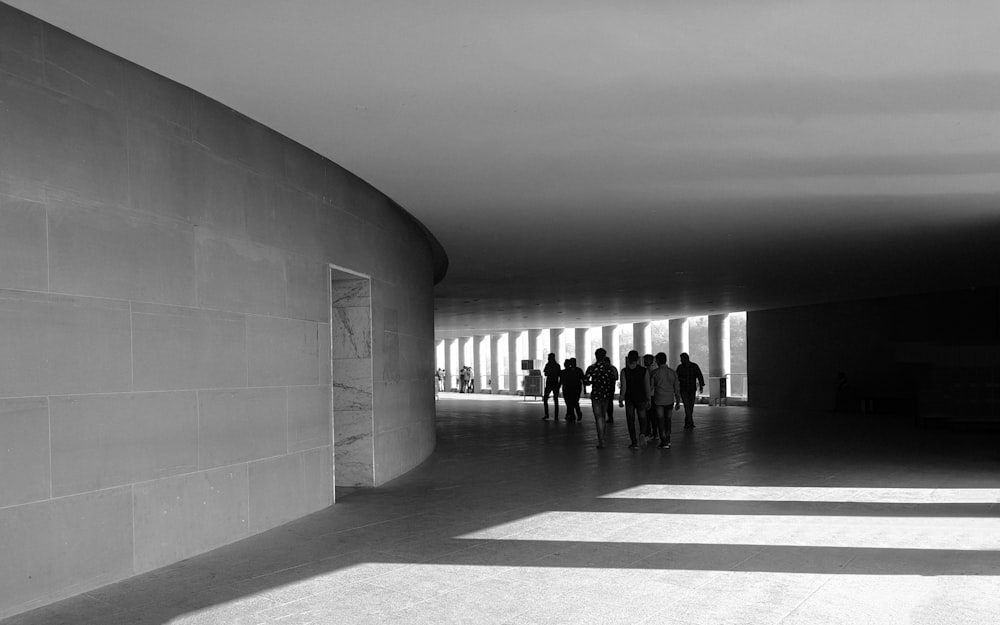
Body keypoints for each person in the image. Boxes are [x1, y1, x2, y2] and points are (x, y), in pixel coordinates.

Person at [584, 348, 618, 449]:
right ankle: (603, 437)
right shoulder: (609, 368)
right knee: (603, 415)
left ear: (595, 356)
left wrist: (593, 382)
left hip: (595, 395)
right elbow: (613, 379)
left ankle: (601, 440)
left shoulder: (591, 368)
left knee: (598, 417)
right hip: (606, 395)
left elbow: (585, 381)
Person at [618, 350, 650, 448]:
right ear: (637, 359)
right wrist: (648, 399)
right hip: (641, 398)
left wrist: (621, 398)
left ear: (628, 359)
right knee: (643, 418)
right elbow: (647, 386)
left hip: (629, 398)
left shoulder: (624, 371)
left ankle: (634, 442)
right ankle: (642, 434)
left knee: (630, 420)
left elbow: (624, 387)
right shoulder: (644, 371)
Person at [650, 352, 680, 449]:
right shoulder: (672, 372)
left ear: (657, 361)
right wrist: (678, 401)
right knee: (668, 420)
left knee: (660, 420)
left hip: (658, 399)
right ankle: (668, 439)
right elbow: (676, 388)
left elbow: (651, 388)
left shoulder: (655, 373)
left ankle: (664, 441)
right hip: (670, 399)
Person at [675, 352, 705, 428]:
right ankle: (689, 421)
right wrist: (701, 386)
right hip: (690, 388)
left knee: (688, 405)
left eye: (682, 359)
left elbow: (676, 377)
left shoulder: (680, 367)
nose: (681, 360)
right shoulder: (694, 366)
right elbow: (699, 376)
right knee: (689, 405)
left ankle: (688, 421)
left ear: (685, 359)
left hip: (686, 388)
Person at [643, 353, 659, 441]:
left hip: (650, 395)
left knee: (649, 415)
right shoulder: (654, 369)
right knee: (653, 415)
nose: (645, 362)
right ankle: (655, 433)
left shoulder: (650, 371)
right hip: (654, 395)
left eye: (646, 360)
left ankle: (650, 432)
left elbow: (650, 385)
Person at [541, 353, 562, 420]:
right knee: (556, 400)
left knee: (545, 399)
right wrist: (559, 384)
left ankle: (547, 414)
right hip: (555, 383)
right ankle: (556, 416)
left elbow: (545, 373)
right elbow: (559, 375)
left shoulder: (548, 365)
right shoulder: (557, 365)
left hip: (549, 383)